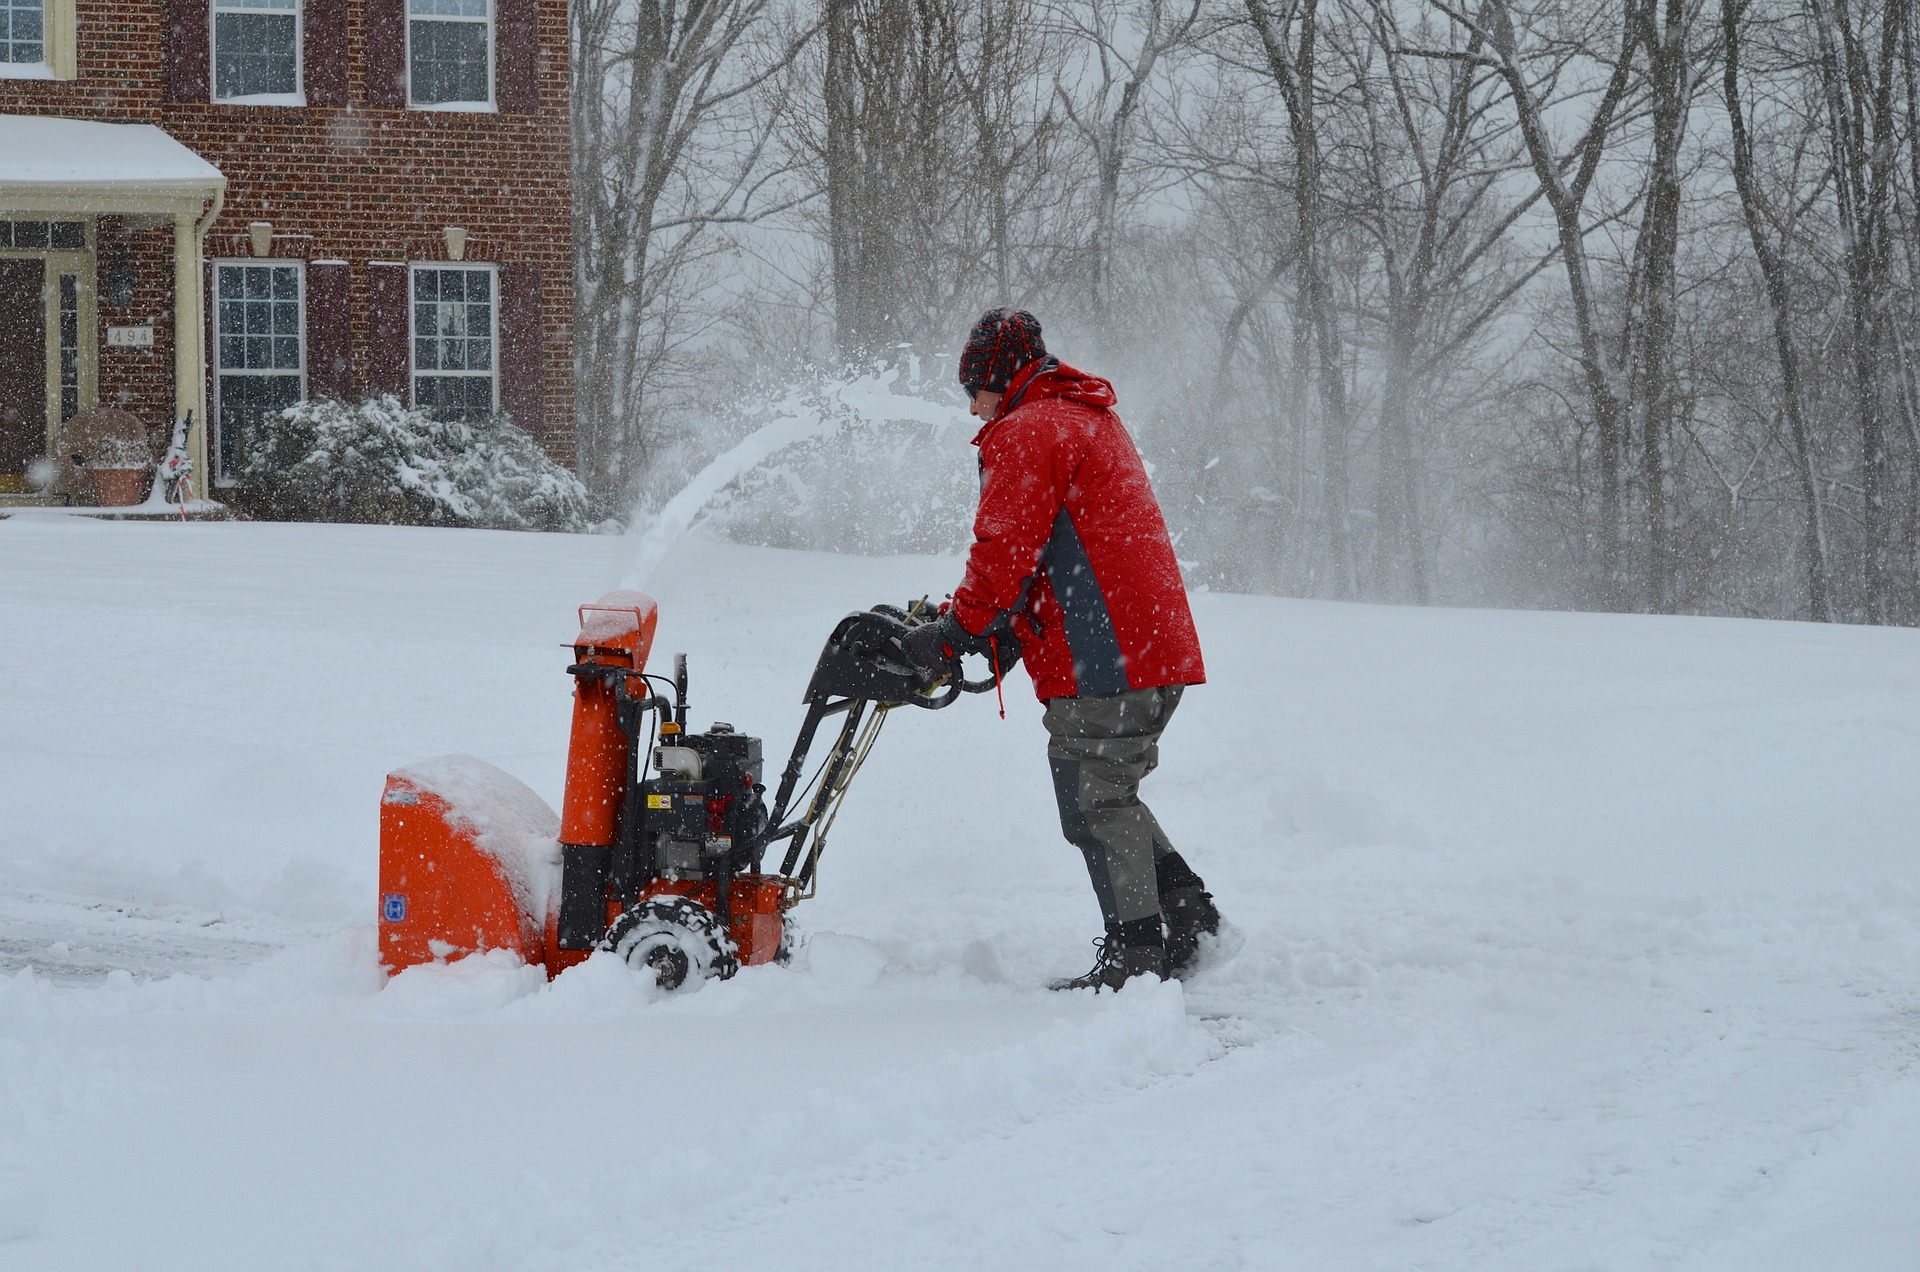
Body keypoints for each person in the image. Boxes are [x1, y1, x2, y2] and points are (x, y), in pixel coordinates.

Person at [902, 307, 1221, 991]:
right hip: (1144, 643)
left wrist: (958, 631)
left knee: (1094, 801)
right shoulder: (1084, 417)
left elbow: (1007, 550)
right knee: (1110, 792)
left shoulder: (1028, 430)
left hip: (1108, 652)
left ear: (996, 380)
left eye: (973, 391)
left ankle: (1136, 956)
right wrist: (988, 626)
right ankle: (1188, 916)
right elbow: (1060, 548)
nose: (972, 408)